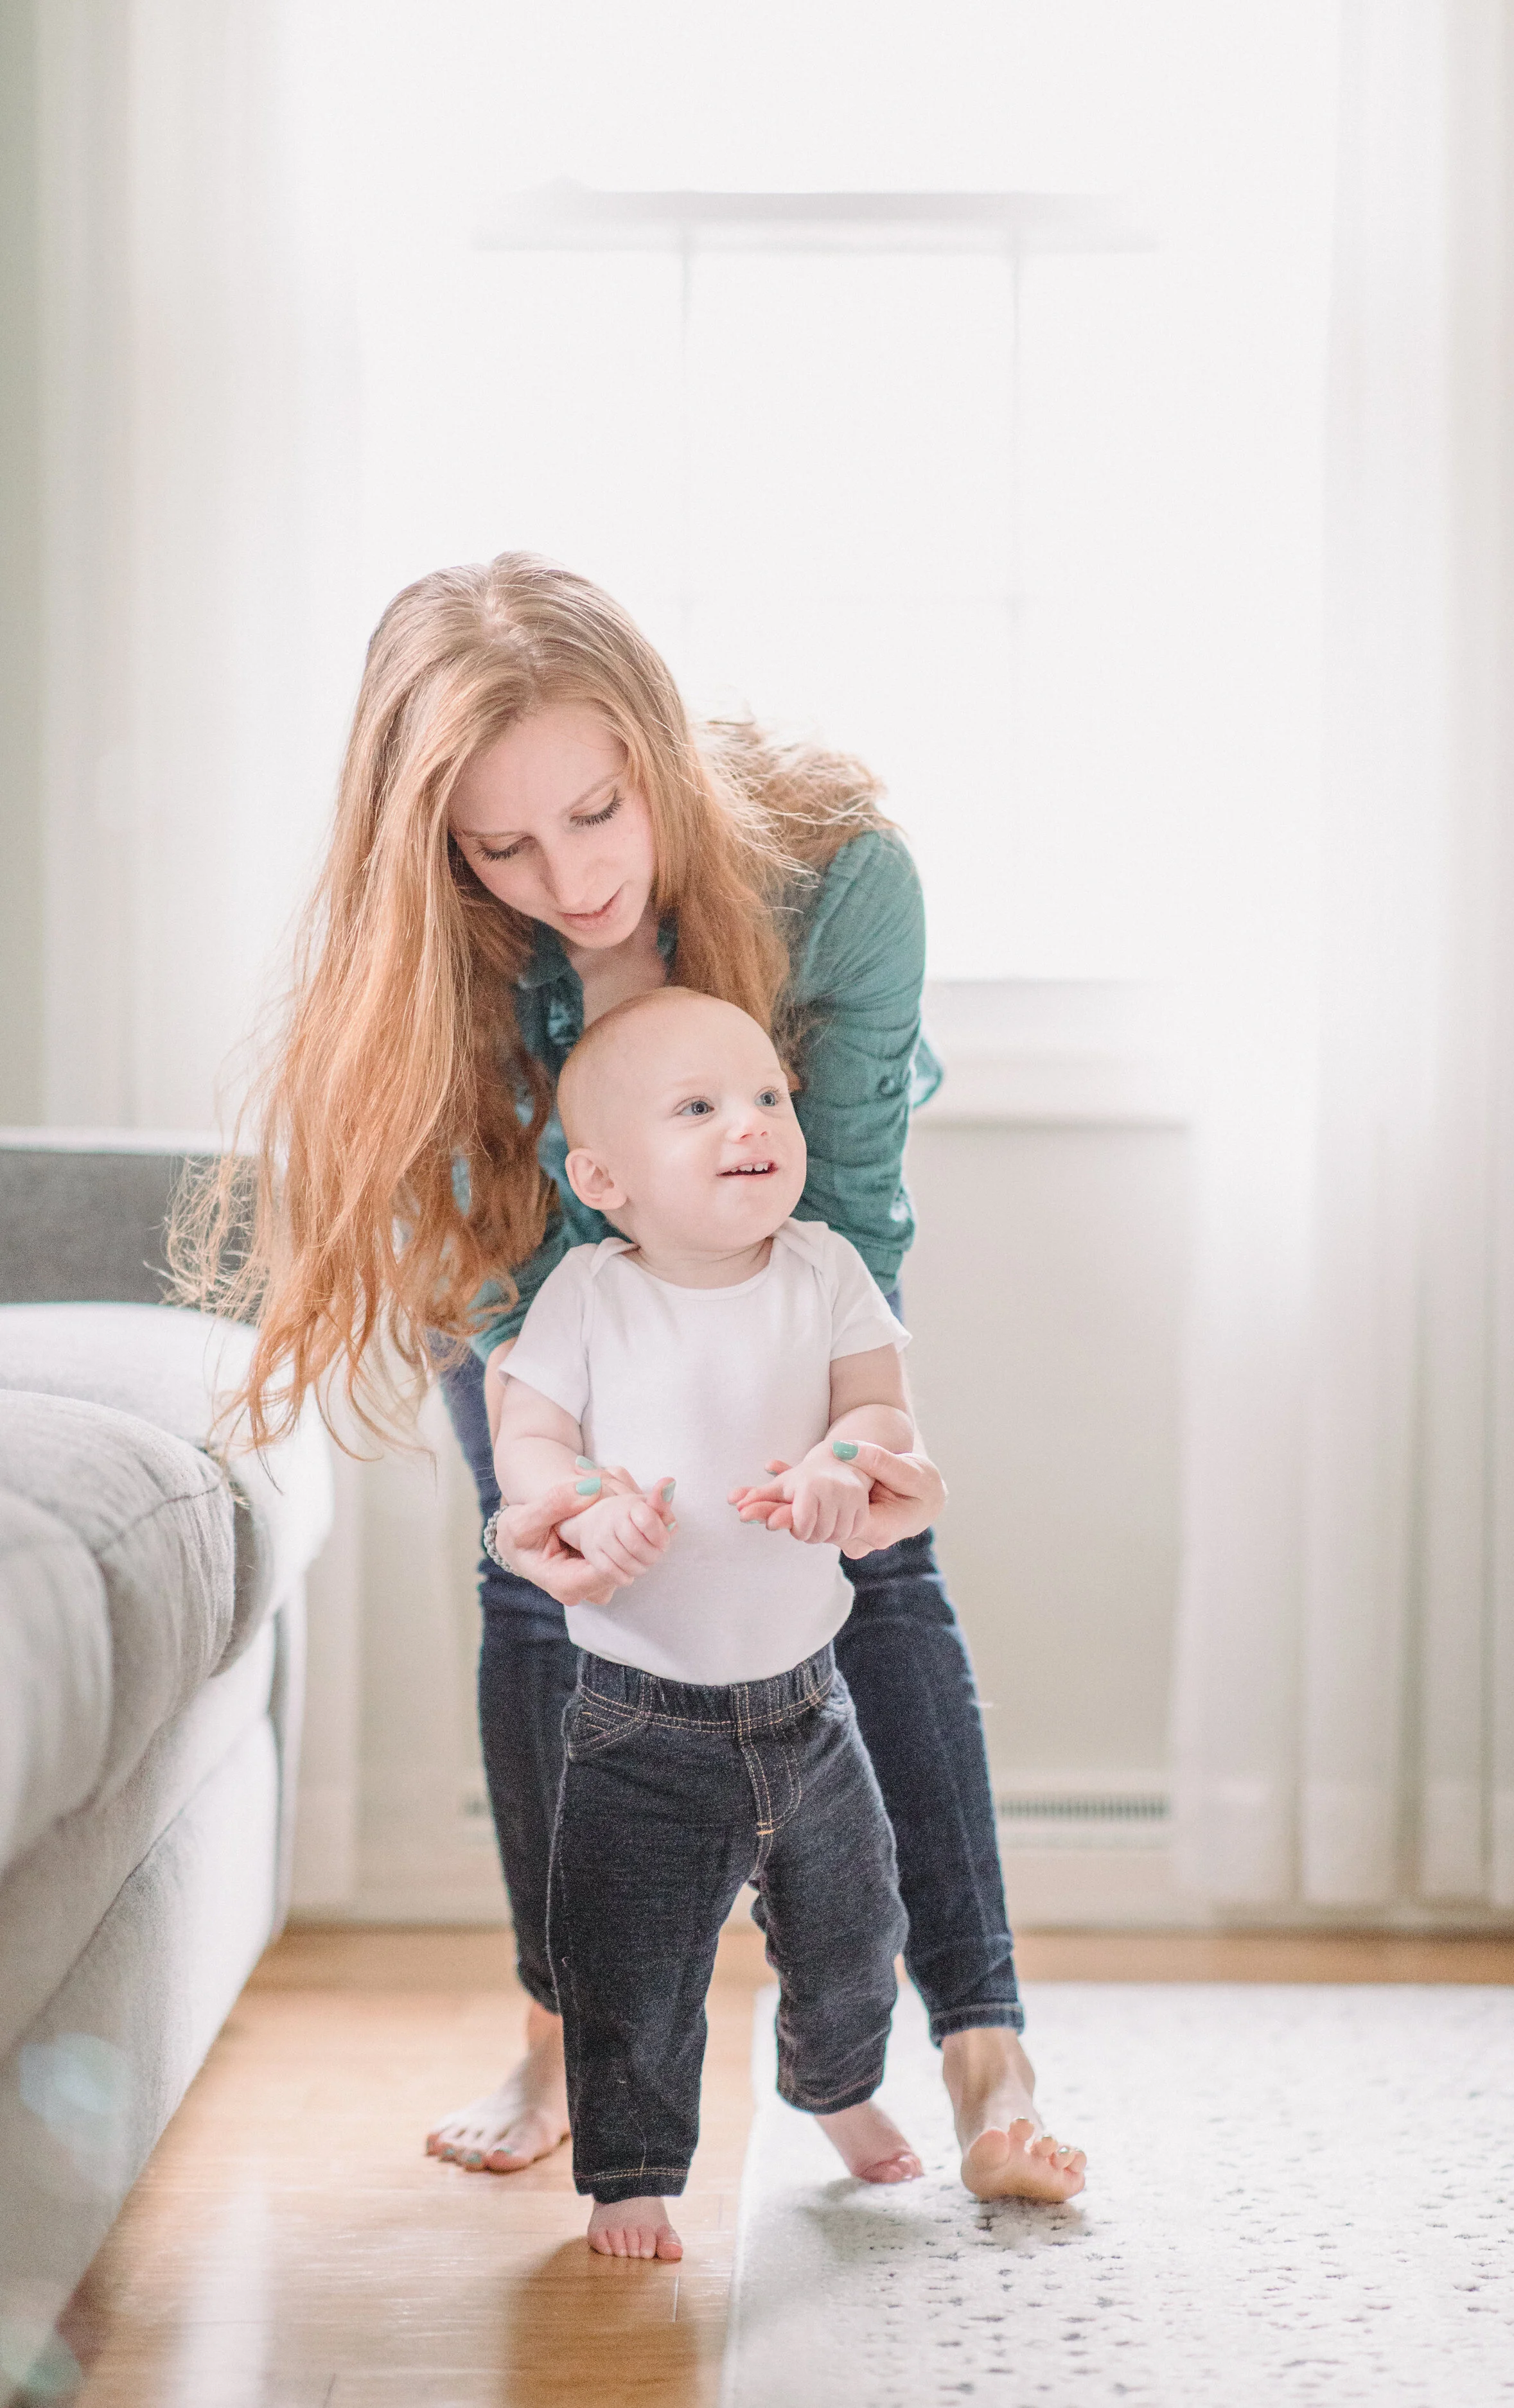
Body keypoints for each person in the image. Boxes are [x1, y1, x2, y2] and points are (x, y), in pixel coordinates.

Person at [184, 551, 1085, 2208]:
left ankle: (985, 2056)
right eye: (501, 843)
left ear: (657, 752)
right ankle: (563, 2031)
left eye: (600, 812)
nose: (567, 876)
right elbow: (510, 1302)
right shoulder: (435, 957)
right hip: (542, 1270)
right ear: (438, 844)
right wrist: (565, 1482)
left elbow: (850, 1202)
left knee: (879, 1572)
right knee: (549, 1602)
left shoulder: (837, 881)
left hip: (775, 1238)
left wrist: (858, 1429)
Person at [492, 984, 963, 2260]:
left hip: (805, 1706)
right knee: (627, 1961)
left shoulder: (823, 1269)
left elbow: (880, 1412)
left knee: (856, 1929)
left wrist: (837, 1465)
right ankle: (631, 2172)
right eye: (695, 1107)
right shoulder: (592, 1294)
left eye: (763, 1095)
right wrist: (574, 1504)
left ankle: (834, 2087)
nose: (746, 1122)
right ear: (604, 1176)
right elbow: (526, 1428)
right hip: (636, 1720)